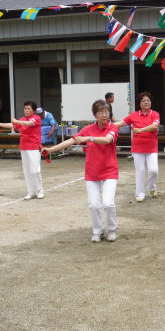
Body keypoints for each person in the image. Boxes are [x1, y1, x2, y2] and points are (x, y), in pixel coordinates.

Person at [43, 99, 119, 243]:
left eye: (107, 111)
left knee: (108, 203)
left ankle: (112, 229)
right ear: (95, 115)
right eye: (100, 112)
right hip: (92, 172)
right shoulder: (89, 128)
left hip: (110, 171)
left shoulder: (113, 127)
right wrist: (51, 149)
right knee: (93, 204)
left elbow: (107, 140)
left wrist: (88, 138)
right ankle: (98, 231)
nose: (104, 115)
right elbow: (72, 141)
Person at [115, 91, 160, 202]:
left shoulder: (155, 114)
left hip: (151, 147)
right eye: (143, 101)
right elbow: (120, 123)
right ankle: (139, 193)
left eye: (148, 100)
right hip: (138, 147)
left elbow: (154, 126)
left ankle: (152, 187)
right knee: (140, 170)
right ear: (139, 103)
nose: (146, 102)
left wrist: (140, 130)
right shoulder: (134, 115)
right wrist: (105, 124)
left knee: (153, 170)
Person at [0, 101, 43, 200]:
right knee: (27, 171)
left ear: (33, 110)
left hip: (34, 147)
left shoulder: (36, 118)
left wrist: (16, 121)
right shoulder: (22, 119)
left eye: (29, 108)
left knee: (35, 170)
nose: (26, 110)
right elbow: (12, 125)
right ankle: (31, 191)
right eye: (25, 108)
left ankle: (40, 190)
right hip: (24, 147)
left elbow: (28, 123)